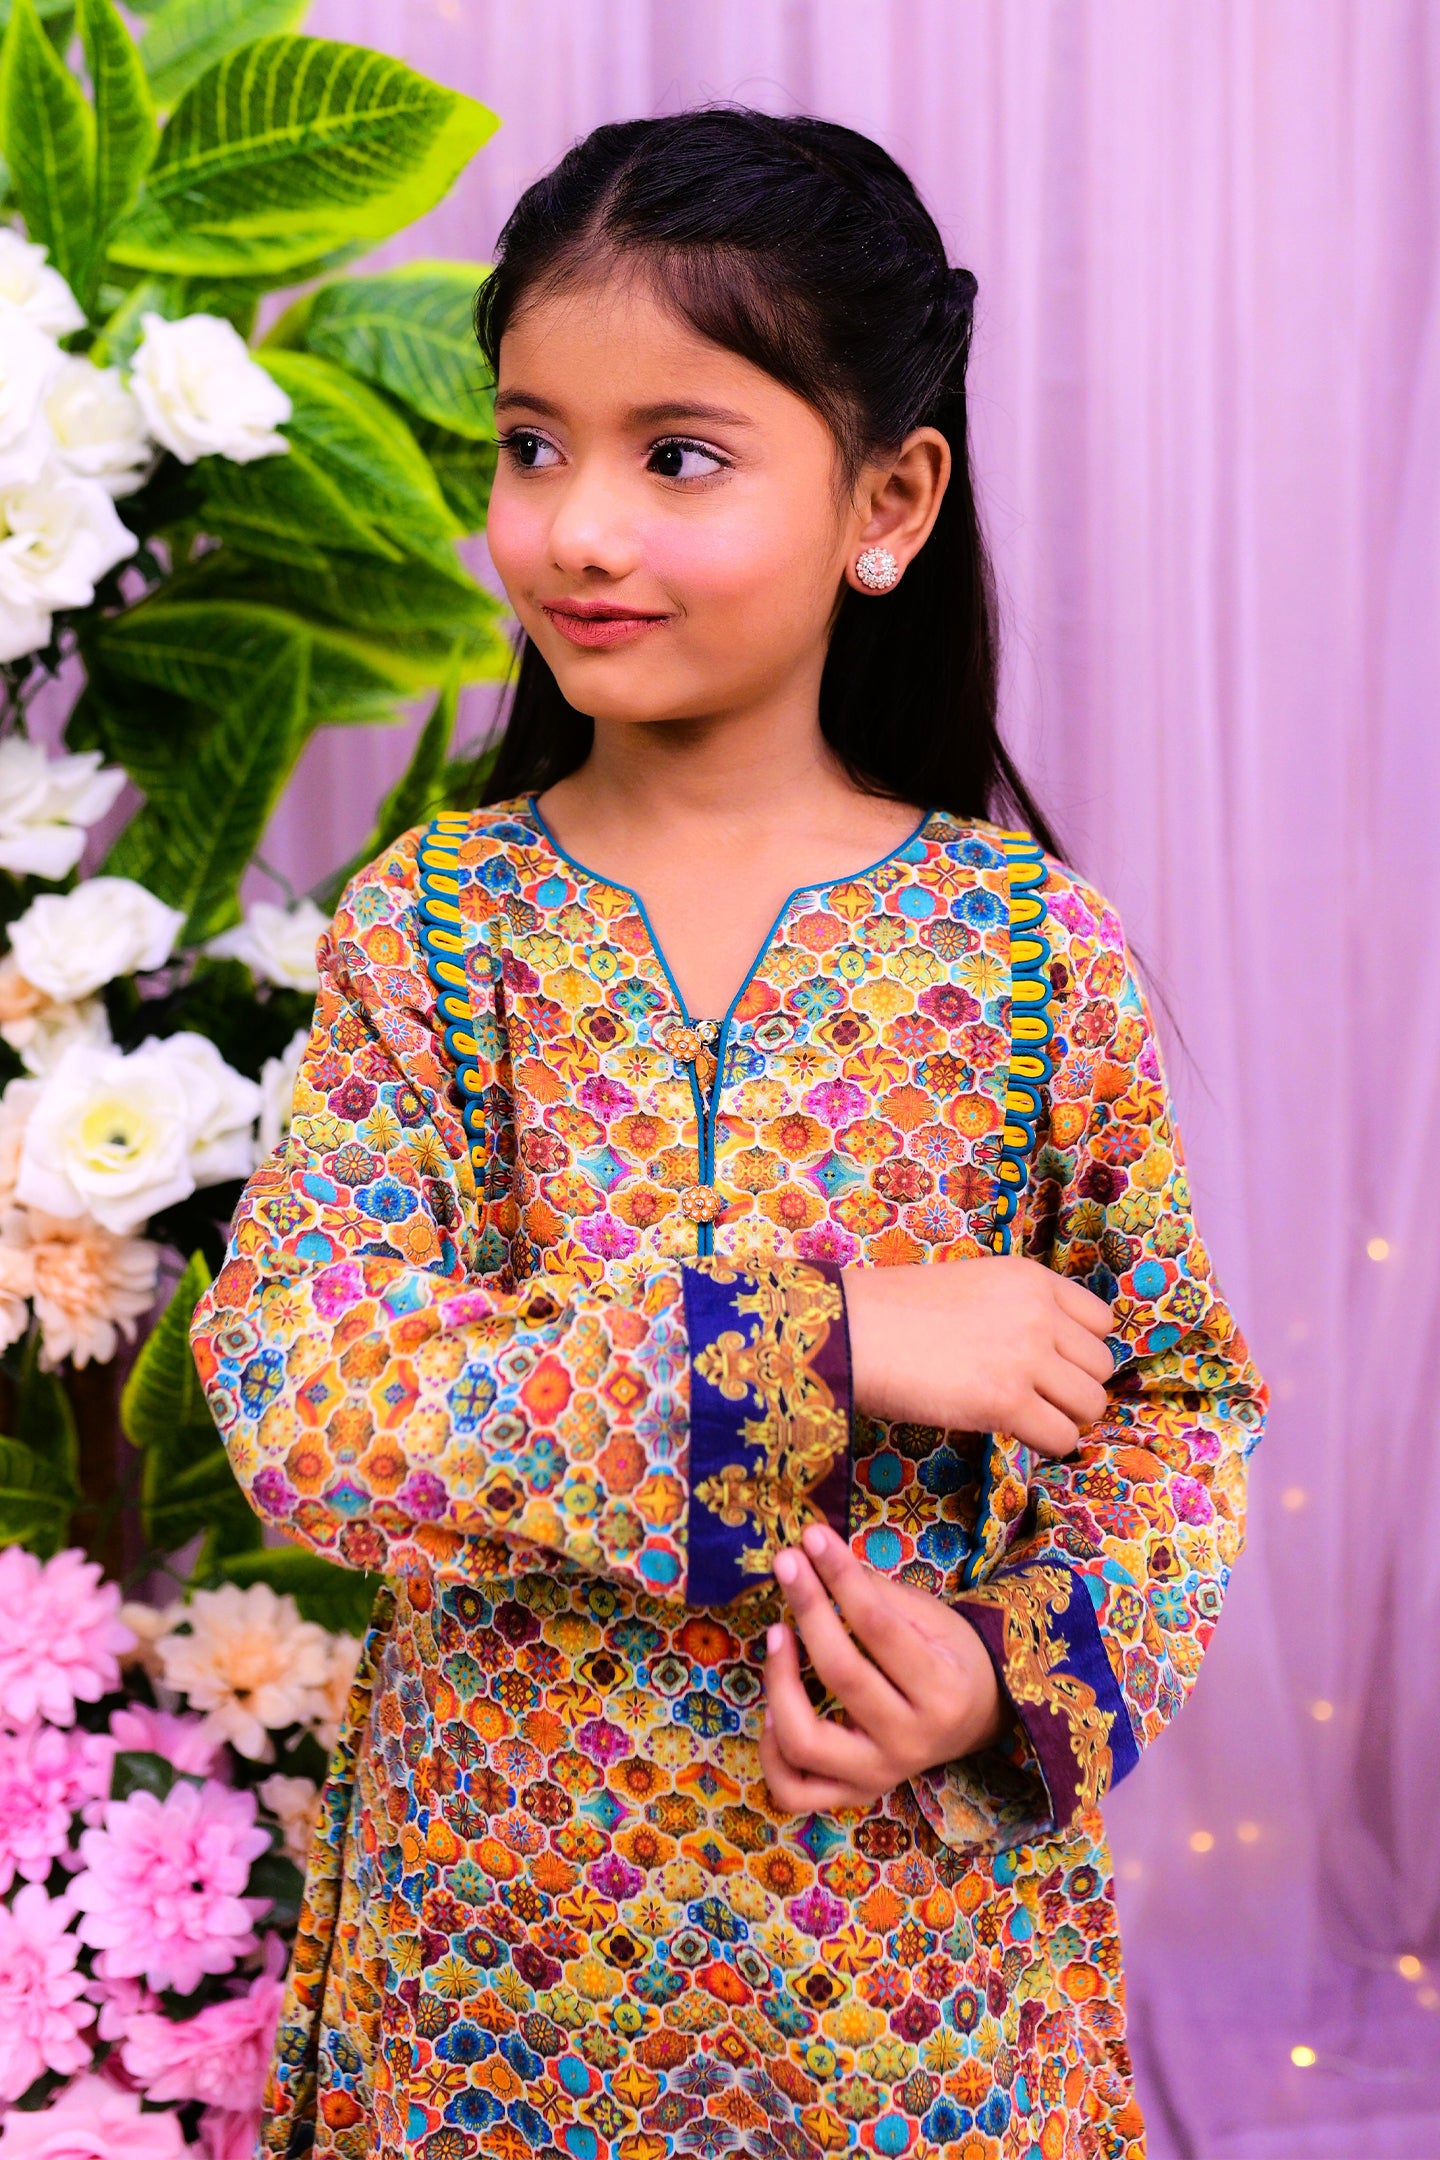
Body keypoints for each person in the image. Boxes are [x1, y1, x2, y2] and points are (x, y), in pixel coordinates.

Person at [193, 108, 1267, 2160]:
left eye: (677, 456)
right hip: (487, 1989)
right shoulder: (434, 930)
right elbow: (303, 1396)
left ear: (889, 500)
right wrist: (820, 1345)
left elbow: (1176, 1413)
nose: (577, 529)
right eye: (532, 445)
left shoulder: (1029, 953)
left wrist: (1001, 1676)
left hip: (913, 1996)